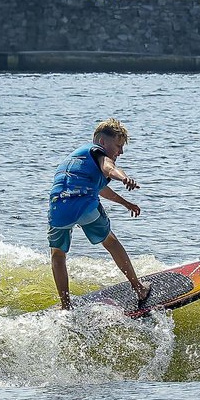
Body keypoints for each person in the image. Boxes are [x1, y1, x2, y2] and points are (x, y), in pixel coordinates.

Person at [48, 119, 148, 311]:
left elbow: (101, 189)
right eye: (118, 146)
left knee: (58, 255)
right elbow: (109, 168)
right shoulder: (97, 151)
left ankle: (66, 306)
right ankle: (139, 288)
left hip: (58, 206)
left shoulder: (76, 161)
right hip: (84, 204)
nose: (121, 152)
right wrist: (124, 177)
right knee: (110, 242)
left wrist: (125, 203)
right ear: (102, 142)